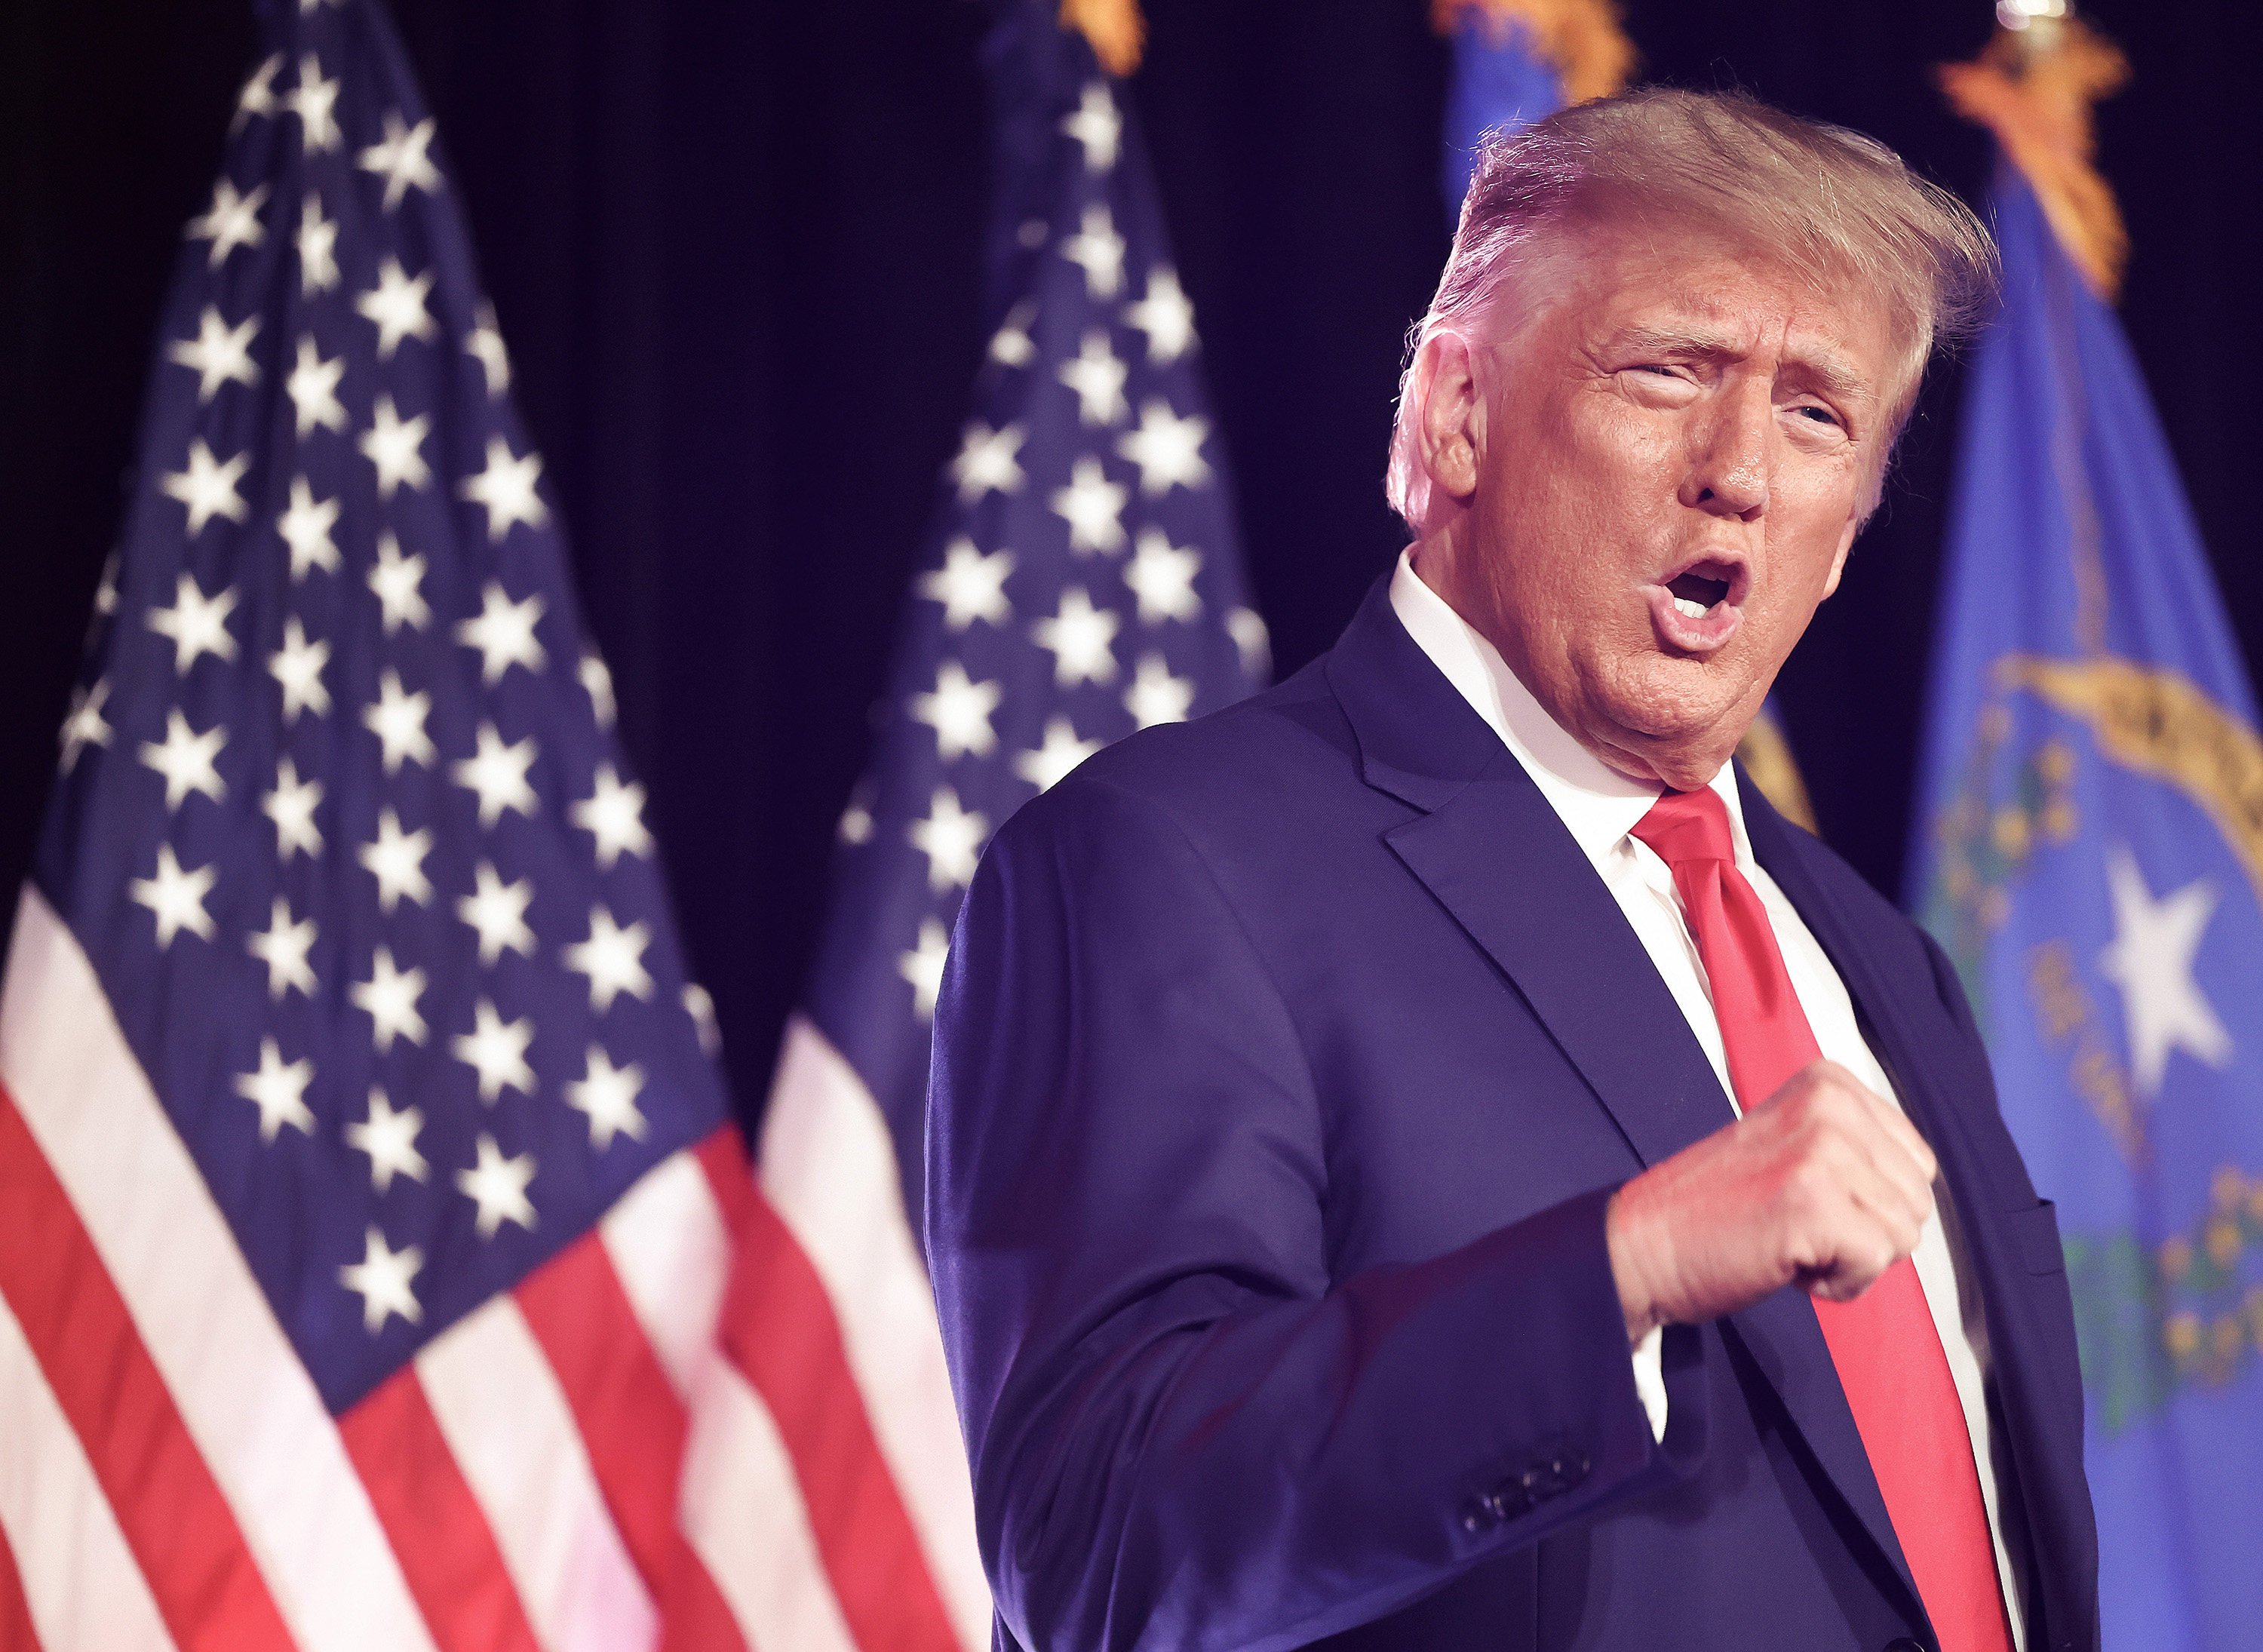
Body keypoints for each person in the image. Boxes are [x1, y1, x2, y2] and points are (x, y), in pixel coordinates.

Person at [926, 88, 2098, 1652]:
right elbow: (1097, 1549)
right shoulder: (1168, 860)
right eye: (1671, 371)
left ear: (1853, 523)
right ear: (1454, 414)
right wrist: (1625, 1263)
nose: (1739, 469)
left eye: (1817, 412)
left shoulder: (1877, 954)